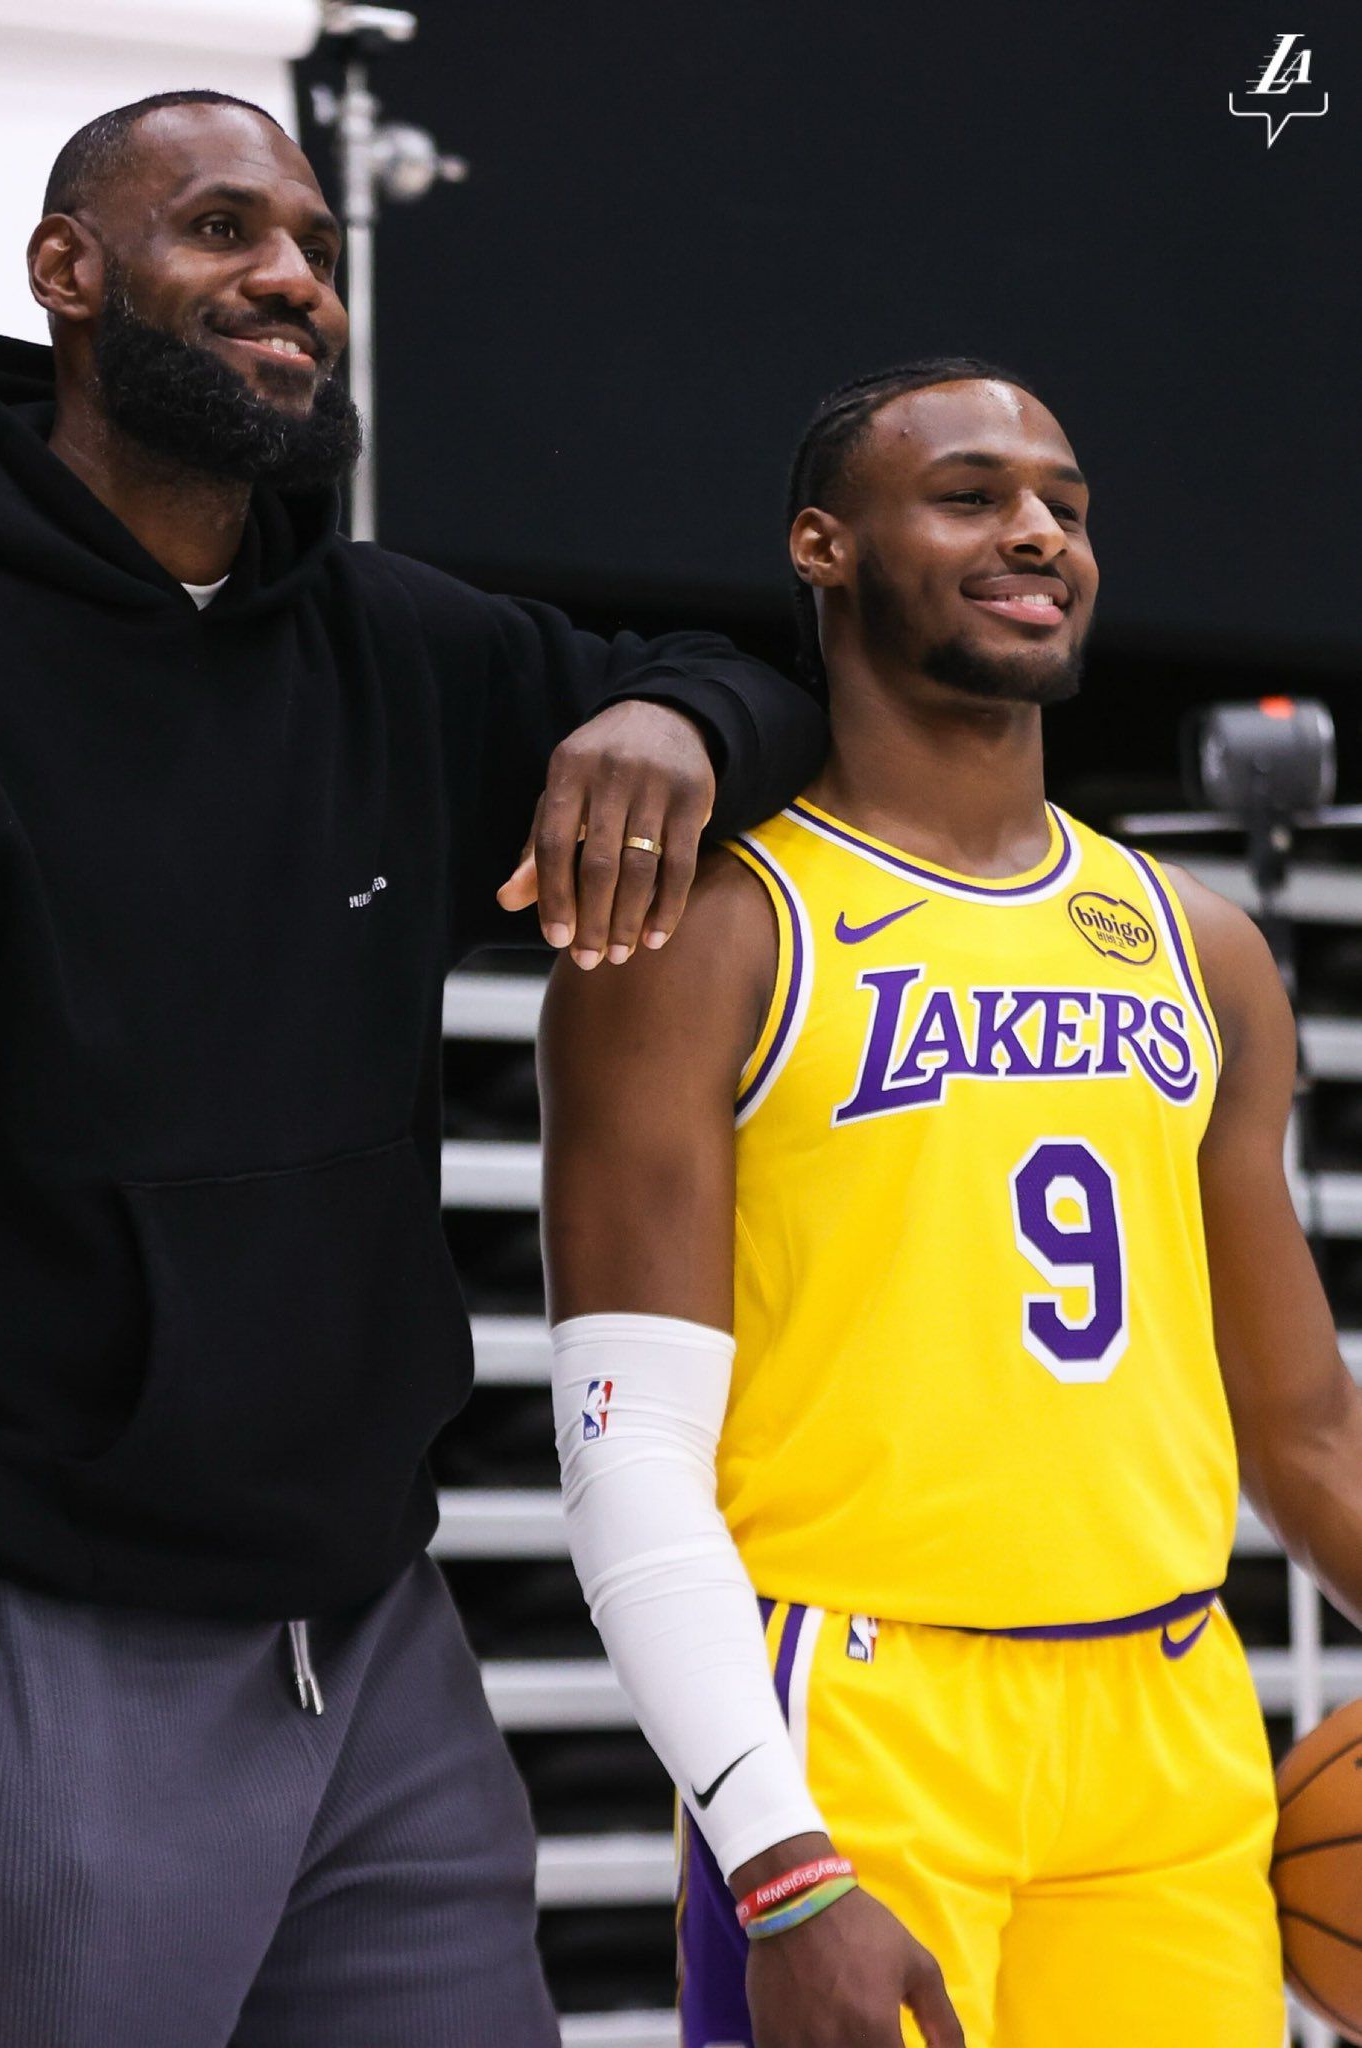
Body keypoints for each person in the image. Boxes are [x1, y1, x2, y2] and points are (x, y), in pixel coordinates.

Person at [0, 90, 829, 2047]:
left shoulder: (394, 647)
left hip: (376, 1655)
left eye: (312, 243)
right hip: (25, 1651)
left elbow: (777, 688)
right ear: (69, 271)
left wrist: (669, 715)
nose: (293, 281)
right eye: (223, 230)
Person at [539, 357, 1362, 2047]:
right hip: (856, 1714)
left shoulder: (1201, 947)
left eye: (1064, 503)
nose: (1038, 531)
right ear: (822, 547)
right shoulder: (710, 933)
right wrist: (777, 1862)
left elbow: (1306, 1433)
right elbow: (627, 1455)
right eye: (972, 494)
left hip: (1169, 1711)